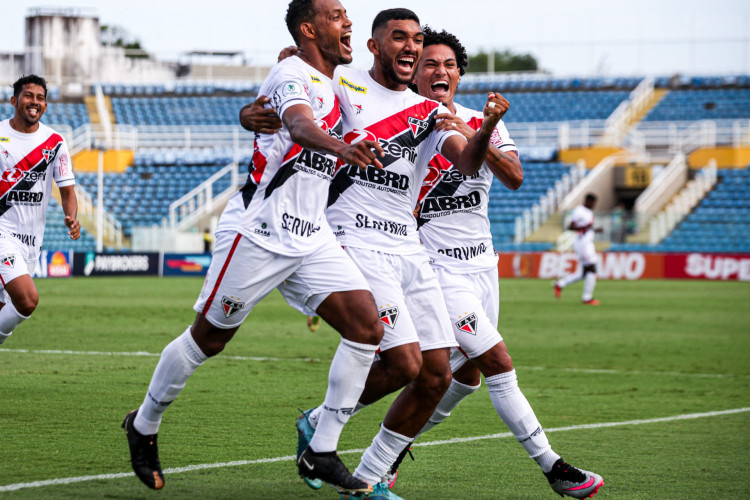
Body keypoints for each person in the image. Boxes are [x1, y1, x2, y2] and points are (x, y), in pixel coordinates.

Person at [122, 1, 386, 495]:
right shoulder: (292, 74)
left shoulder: (333, 80)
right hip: (259, 231)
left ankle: (322, 449)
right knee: (209, 339)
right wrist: (342, 147)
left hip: (311, 236)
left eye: (347, 14)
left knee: (367, 329)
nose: (348, 22)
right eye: (336, 15)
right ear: (310, 29)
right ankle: (144, 423)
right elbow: (302, 126)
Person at [244, 9, 506, 500]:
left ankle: (364, 472)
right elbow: (292, 81)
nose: (410, 47)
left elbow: (466, 163)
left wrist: (486, 127)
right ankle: (324, 438)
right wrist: (250, 110)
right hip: (352, 238)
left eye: (417, 39)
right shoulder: (343, 81)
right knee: (404, 361)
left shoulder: (428, 110)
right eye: (399, 38)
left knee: (436, 375)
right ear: (373, 45)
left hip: (406, 245)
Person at [383, 27, 601, 499]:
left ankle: (384, 455)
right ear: (413, 71)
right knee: (499, 363)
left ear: (459, 73)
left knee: (464, 376)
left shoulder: (486, 121)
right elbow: (463, 163)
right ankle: (554, 468)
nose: (438, 71)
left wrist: (478, 126)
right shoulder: (407, 120)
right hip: (434, 268)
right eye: (428, 64)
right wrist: (469, 131)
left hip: (483, 265)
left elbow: (516, 177)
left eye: (447, 65)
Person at [0, 74, 80, 347]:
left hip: (31, 242)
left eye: (41, 98)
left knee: (5, 310)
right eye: (29, 96)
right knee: (27, 300)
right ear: (14, 100)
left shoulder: (55, 142)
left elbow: (67, 191)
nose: (35, 102)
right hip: (2, 234)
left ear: (45, 105)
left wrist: (72, 217)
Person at [554, 193, 601, 305]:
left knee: (584, 273)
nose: (594, 205)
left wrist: (595, 230)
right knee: (592, 268)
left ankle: (560, 284)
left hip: (586, 242)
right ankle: (587, 298)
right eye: (593, 202)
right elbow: (571, 226)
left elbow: (587, 228)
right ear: (588, 201)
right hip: (583, 243)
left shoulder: (589, 212)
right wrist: (586, 228)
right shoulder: (579, 210)